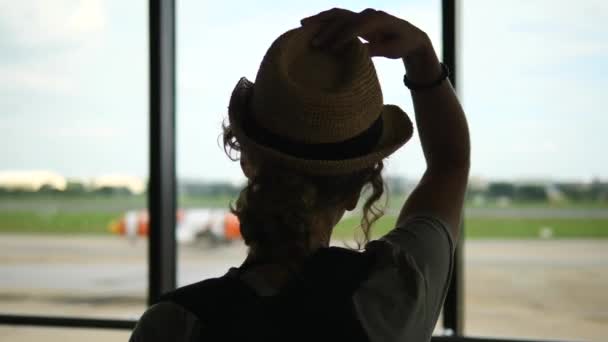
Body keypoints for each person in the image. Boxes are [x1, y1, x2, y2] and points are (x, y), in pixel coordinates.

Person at [130, 7, 470, 342]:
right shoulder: (394, 296)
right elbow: (449, 164)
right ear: (360, 187)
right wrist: (421, 55)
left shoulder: (171, 325)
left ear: (247, 161)